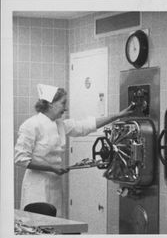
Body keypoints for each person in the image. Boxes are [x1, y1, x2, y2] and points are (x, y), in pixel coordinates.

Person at [14, 84, 135, 216]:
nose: (65, 108)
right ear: (50, 104)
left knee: (55, 225)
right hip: (36, 187)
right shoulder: (31, 125)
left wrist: (116, 116)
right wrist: (52, 168)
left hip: (54, 185)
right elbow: (20, 160)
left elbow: (85, 126)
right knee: (37, 227)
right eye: (62, 103)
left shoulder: (60, 124)